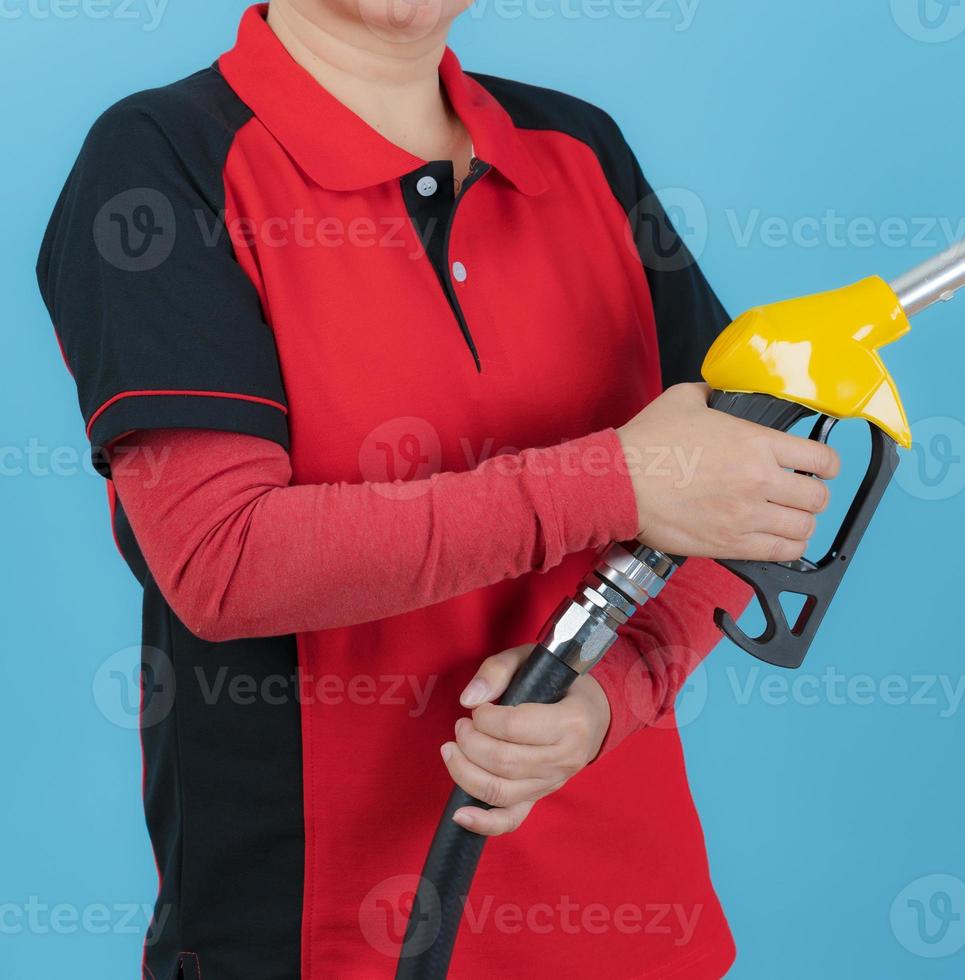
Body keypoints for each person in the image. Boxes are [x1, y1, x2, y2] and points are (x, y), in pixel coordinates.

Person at [36, 3, 838, 978]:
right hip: (318, 942)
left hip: (633, 932)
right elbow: (223, 559)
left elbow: (727, 493)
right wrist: (617, 480)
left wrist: (606, 702)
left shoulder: (580, 151)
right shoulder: (164, 160)